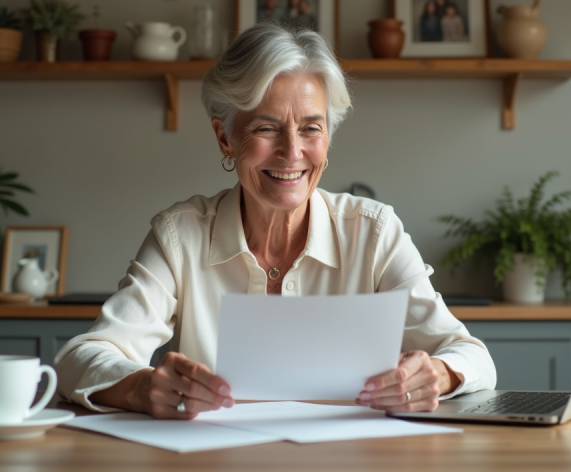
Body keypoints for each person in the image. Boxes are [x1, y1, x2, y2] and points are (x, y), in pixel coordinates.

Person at [53, 21, 496, 419]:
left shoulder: (375, 231)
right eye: (266, 128)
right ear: (224, 136)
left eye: (311, 128)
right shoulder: (180, 234)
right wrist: (143, 386)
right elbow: (82, 357)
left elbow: (470, 355)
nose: (292, 151)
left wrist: (438, 374)